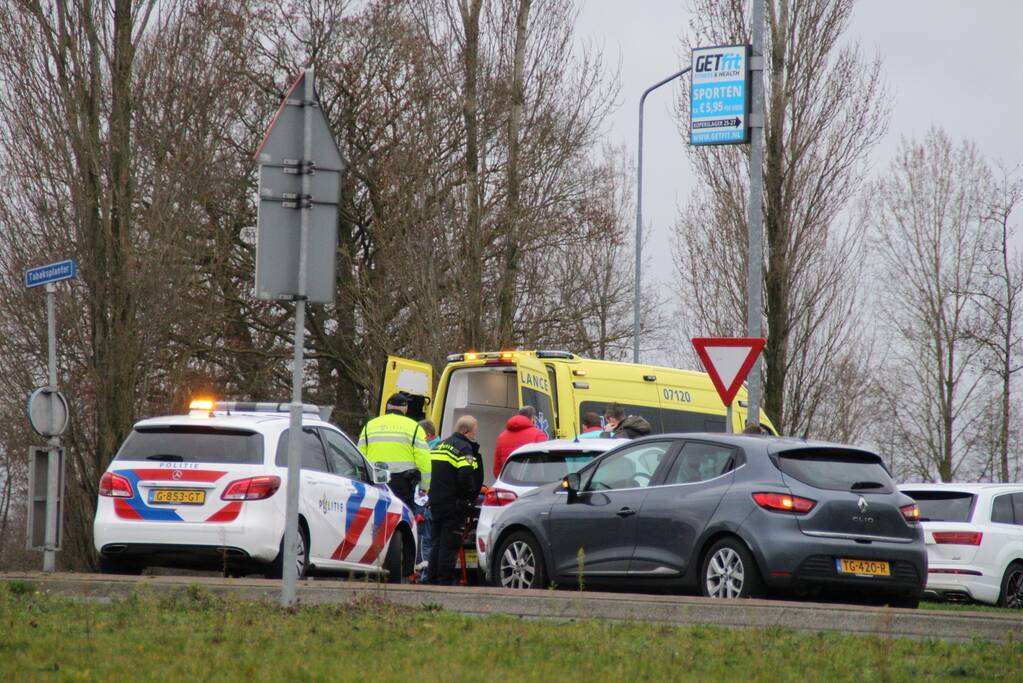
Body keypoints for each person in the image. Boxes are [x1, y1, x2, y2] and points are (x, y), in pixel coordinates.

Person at [427, 415, 484, 585]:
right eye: (474, 432)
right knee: (449, 545)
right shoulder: (464, 448)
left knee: (436, 543)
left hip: (436, 502)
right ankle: (444, 581)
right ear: (466, 431)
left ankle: (432, 579)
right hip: (454, 505)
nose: (475, 436)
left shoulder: (439, 445)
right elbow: (466, 476)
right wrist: (469, 496)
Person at [357, 393, 431, 512]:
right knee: (402, 517)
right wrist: (424, 487)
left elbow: (359, 456)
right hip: (402, 483)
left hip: (375, 480)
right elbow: (424, 461)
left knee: (376, 514)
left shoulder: (370, 426)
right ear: (405, 408)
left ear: (387, 407)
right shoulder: (415, 428)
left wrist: (360, 479)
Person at [413, 419, 440, 580]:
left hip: (425, 501)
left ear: (428, 435)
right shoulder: (439, 448)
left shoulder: (430, 451)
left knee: (424, 538)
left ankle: (424, 576)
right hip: (431, 501)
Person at [493, 405, 548, 478]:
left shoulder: (501, 437)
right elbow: (544, 465)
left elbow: (496, 469)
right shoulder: (539, 435)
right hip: (531, 484)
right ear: (532, 418)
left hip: (507, 483)